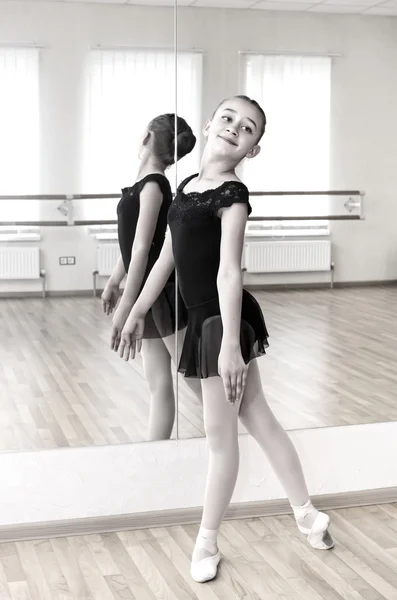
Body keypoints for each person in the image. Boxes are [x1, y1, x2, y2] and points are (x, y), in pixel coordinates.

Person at [117, 96, 334, 583]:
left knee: (221, 442)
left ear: (253, 149)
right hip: (201, 320)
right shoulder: (188, 186)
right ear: (212, 122)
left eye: (250, 128)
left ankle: (206, 544)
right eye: (230, 118)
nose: (237, 128)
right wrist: (135, 313)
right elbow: (167, 258)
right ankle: (307, 514)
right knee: (259, 417)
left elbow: (230, 272)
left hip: (219, 322)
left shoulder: (233, 194)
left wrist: (231, 346)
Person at [102, 113, 198, 441]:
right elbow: (132, 242)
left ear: (146, 137)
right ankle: (155, 452)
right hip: (148, 292)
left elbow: (143, 248)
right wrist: (115, 280)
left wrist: (127, 304)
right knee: (158, 382)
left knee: (196, 380)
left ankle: (235, 432)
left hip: (162, 293)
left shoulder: (155, 185)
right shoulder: (144, 184)